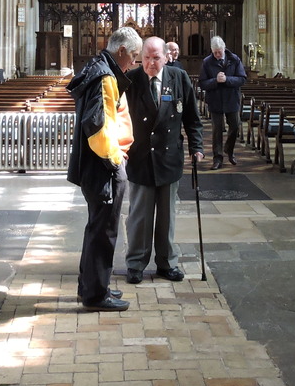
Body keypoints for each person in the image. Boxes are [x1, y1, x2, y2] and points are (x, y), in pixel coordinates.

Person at [67, 26, 139, 311]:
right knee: (104, 231)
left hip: (94, 166)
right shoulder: (105, 76)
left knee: (96, 227)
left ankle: (90, 285)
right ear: (121, 50)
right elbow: (97, 125)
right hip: (103, 166)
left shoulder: (97, 68)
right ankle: (96, 295)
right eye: (133, 56)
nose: (134, 62)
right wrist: (114, 160)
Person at [124, 37, 205, 284]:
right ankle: (136, 263)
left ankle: (167, 263)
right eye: (146, 58)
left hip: (169, 157)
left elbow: (192, 117)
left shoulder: (178, 78)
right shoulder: (131, 80)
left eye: (156, 58)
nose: (150, 63)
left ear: (166, 57)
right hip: (140, 156)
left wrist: (197, 146)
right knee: (139, 216)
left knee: (167, 216)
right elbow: (119, 117)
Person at [199, 36, 247, 170]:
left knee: (235, 126)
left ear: (224, 49)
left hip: (231, 99)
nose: (217, 55)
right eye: (214, 53)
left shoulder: (234, 59)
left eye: (219, 52)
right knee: (217, 131)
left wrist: (227, 79)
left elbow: (242, 79)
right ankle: (217, 158)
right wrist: (215, 80)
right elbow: (202, 83)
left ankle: (229, 150)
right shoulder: (207, 62)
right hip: (215, 100)